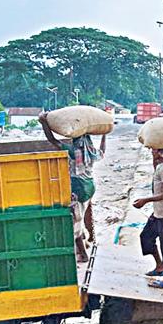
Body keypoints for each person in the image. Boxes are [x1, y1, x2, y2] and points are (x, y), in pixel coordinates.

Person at [38, 112, 106, 263]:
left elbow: (52, 141)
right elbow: (103, 151)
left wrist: (44, 124)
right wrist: (104, 135)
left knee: (76, 222)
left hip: (79, 190)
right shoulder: (91, 152)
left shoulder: (74, 153)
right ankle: (86, 242)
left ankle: (83, 254)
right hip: (90, 188)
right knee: (80, 216)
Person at [134, 148, 163, 289]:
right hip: (158, 213)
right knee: (146, 237)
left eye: (154, 150)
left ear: (160, 152)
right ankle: (159, 266)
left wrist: (145, 200)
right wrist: (156, 157)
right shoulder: (159, 166)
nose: (151, 151)